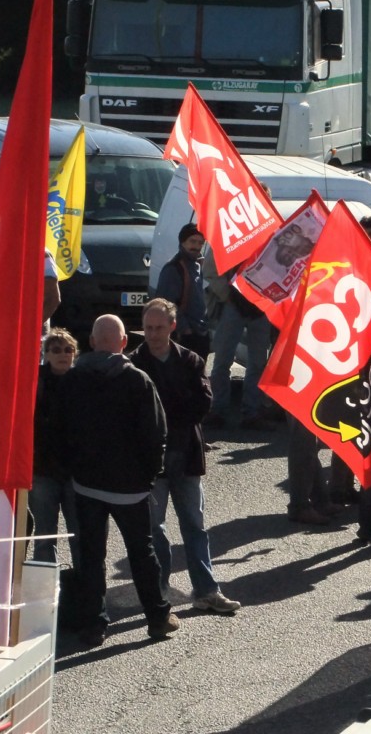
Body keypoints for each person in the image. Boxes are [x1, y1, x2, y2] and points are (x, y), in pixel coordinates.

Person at [60, 314, 175, 647]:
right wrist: (148, 476)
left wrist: (75, 469)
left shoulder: (72, 380)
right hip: (130, 488)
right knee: (142, 552)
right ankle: (158, 617)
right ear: (124, 343)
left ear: (93, 342)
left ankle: (94, 625)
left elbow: (60, 430)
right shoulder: (137, 381)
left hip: (86, 485)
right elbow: (156, 435)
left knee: (91, 557)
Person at [129, 299, 241, 614]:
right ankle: (159, 592)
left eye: (159, 328)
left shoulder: (190, 361)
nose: (152, 334)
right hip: (151, 464)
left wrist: (159, 412)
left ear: (172, 326)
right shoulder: (134, 363)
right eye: (148, 328)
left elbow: (202, 404)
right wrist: (173, 410)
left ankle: (206, 590)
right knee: (155, 530)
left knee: (195, 525)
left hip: (187, 458)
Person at [30, 328, 80, 566]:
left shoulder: (83, 381)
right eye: (56, 350)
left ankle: (86, 590)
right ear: (46, 354)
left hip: (75, 473)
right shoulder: (35, 382)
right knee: (44, 537)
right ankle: (44, 595)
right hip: (43, 471)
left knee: (80, 535)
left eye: (68, 350)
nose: (63, 354)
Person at [205, 264, 271, 431]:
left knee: (258, 363)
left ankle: (252, 413)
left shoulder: (271, 237)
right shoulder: (231, 237)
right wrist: (227, 296)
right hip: (233, 302)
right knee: (222, 360)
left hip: (262, 304)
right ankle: (218, 410)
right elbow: (210, 268)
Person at [155, 223, 210, 360]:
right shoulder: (173, 269)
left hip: (199, 333)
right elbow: (167, 305)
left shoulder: (196, 265)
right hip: (184, 338)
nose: (196, 246)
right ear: (182, 242)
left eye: (200, 243)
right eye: (192, 241)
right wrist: (186, 330)